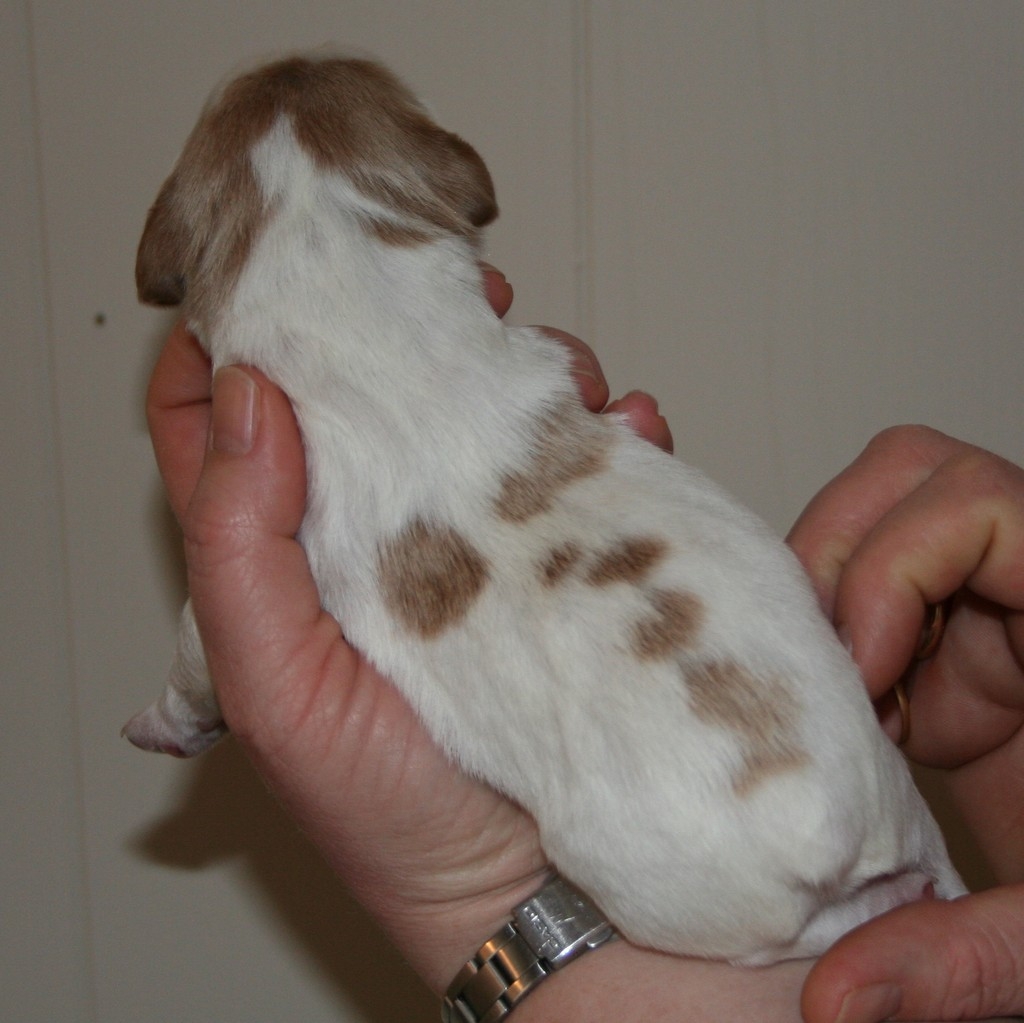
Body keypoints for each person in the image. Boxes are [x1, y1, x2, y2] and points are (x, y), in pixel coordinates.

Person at [147, 266, 1024, 1022]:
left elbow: (202, 668)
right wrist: (484, 887)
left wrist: (489, 903)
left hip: (719, 851)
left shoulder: (325, 481)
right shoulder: (502, 379)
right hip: (797, 798)